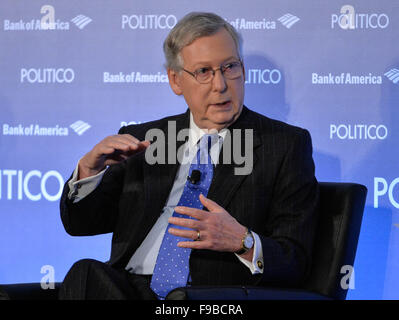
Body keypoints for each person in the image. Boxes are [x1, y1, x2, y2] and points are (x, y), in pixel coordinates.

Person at [58, 12, 319, 300]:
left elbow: (296, 260)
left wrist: (242, 241)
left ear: (243, 70)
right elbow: (81, 224)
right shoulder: (144, 140)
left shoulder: (283, 145)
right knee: (85, 274)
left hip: (207, 298)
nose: (220, 85)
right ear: (176, 81)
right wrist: (88, 171)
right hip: (126, 290)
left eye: (229, 67)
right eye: (204, 72)